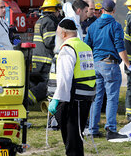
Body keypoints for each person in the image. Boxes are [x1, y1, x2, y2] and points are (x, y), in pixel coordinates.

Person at [84, 0, 131, 140]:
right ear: (114, 11)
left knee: (97, 98)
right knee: (112, 98)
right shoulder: (115, 26)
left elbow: (87, 46)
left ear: (102, 11)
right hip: (110, 64)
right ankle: (111, 130)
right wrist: (128, 65)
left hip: (96, 65)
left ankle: (93, 129)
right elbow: (120, 47)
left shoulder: (93, 26)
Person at [48, 18, 96, 156]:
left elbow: (65, 78)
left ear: (63, 34)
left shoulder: (67, 49)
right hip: (85, 99)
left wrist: (57, 99)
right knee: (76, 137)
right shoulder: (84, 47)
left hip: (72, 101)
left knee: (71, 140)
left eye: (57, 34)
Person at [28, 0, 62, 105]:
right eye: (58, 10)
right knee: (50, 83)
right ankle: (30, 98)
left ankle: (29, 97)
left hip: (37, 60)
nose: (59, 13)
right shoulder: (50, 22)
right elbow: (49, 41)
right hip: (45, 61)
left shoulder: (40, 20)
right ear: (55, 10)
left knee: (38, 82)